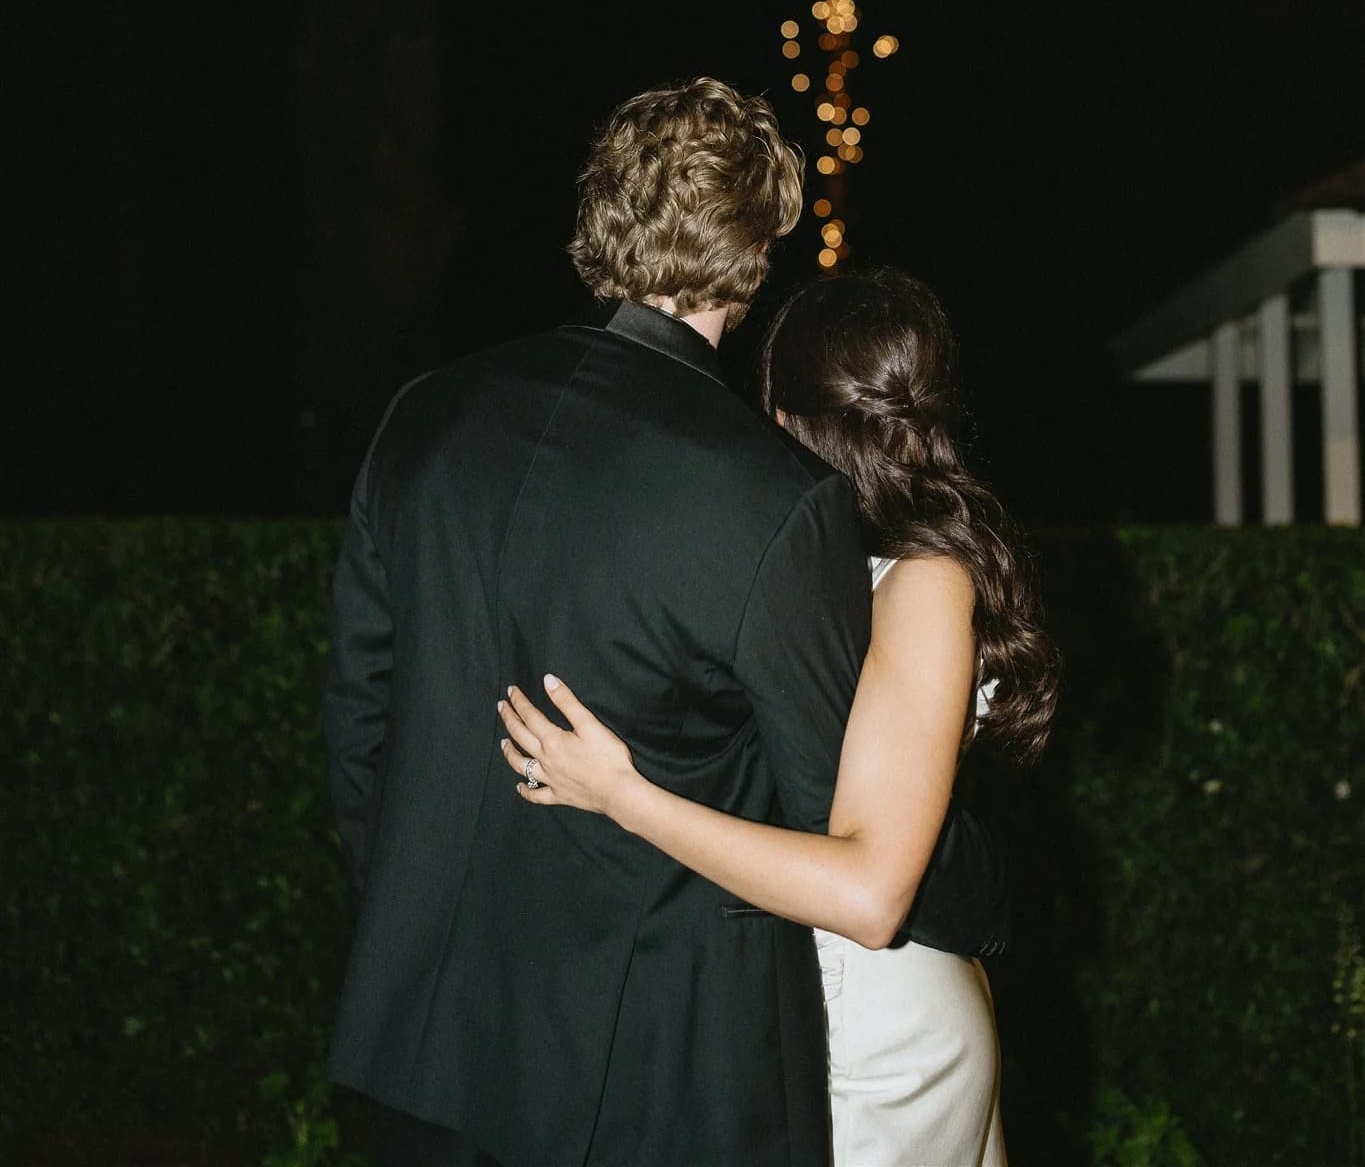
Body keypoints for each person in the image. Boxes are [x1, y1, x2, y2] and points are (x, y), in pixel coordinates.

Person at [325, 80, 1005, 1167]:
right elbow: (832, 802)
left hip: (431, 1042)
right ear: (756, 252)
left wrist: (427, 917)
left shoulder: (424, 417)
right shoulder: (774, 498)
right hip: (660, 1073)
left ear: (600, 218)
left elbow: (361, 732)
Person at [497, 266, 1060, 1167]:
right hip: (799, 1008)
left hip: (873, 1029)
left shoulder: (924, 583)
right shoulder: (808, 575)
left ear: (785, 420)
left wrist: (620, 794)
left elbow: (869, 897)